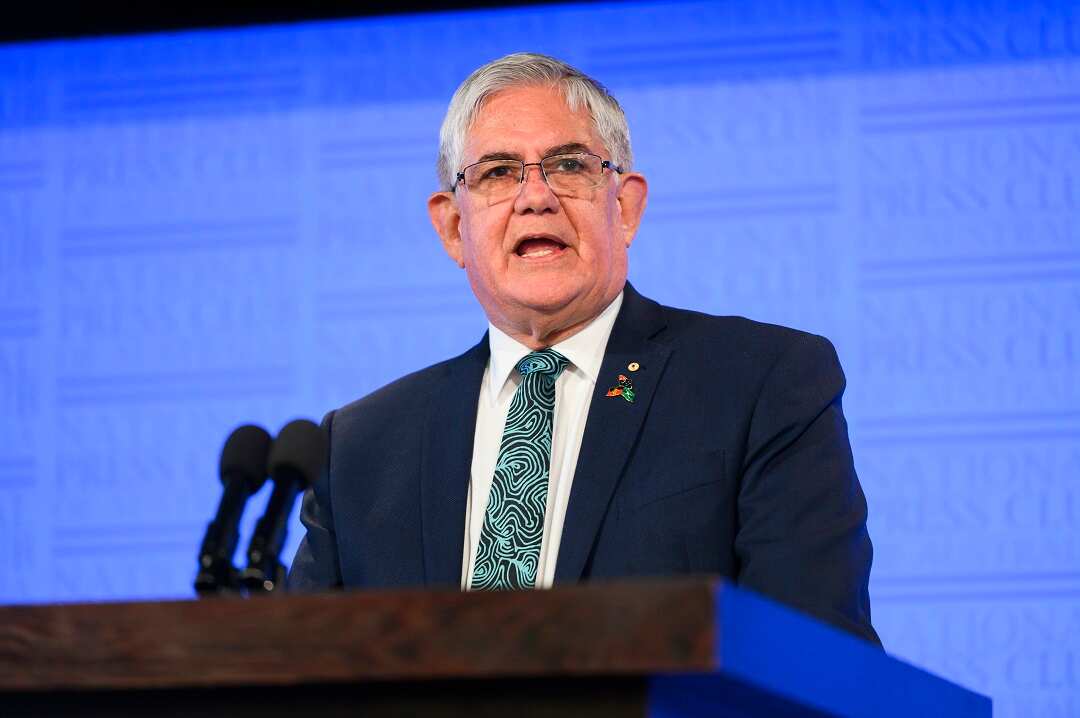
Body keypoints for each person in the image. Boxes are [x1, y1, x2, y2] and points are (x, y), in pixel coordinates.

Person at [288, 52, 879, 645]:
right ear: (451, 227)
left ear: (624, 207)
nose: (535, 197)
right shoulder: (360, 449)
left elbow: (817, 652)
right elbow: (293, 673)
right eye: (497, 173)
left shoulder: (761, 383)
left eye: (569, 165)